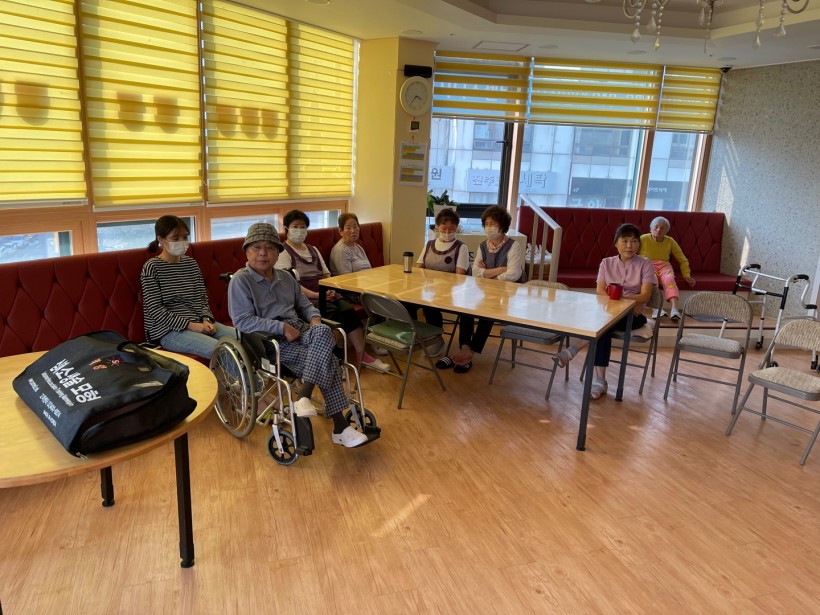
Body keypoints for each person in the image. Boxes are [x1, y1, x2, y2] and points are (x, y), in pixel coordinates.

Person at [228, 222, 369, 448]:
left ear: (278, 253)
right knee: (329, 361)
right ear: (247, 251)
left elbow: (305, 306)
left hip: (299, 330)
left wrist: (314, 318)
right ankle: (340, 427)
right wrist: (281, 328)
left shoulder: (286, 278)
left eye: (269, 248)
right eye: (256, 247)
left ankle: (303, 396)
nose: (263, 253)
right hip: (268, 340)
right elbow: (242, 320)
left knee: (323, 330)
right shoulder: (240, 281)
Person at [276, 209, 390, 373]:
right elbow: (291, 284)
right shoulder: (282, 252)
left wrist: (329, 289)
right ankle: (334, 362)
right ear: (286, 228)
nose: (299, 230)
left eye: (303, 227)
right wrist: (317, 295)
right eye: (295, 226)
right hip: (304, 298)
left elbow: (326, 274)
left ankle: (362, 355)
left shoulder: (313, 249)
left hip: (325, 291)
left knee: (348, 309)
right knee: (335, 314)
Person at [555, 223, 655, 400]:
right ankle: (600, 380)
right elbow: (600, 291)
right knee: (604, 327)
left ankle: (574, 350)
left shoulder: (645, 264)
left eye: (634, 241)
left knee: (602, 325)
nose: (629, 246)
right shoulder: (606, 263)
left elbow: (645, 295)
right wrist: (630, 300)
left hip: (634, 315)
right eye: (625, 241)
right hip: (608, 313)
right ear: (616, 243)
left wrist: (624, 299)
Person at [436, 205, 524, 374]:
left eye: (493, 224)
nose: (489, 227)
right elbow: (476, 272)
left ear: (502, 226)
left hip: (507, 295)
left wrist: (487, 274)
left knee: (487, 312)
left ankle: (469, 352)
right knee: (466, 308)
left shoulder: (514, 246)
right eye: (487, 224)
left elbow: (513, 274)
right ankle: (465, 348)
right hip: (485, 291)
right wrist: (499, 269)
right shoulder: (483, 245)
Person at [141, 215, 236, 358]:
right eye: (175, 238)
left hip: (198, 322)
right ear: (160, 239)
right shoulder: (151, 267)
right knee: (222, 350)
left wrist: (206, 320)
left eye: (185, 237)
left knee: (246, 339)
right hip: (167, 330)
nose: (182, 242)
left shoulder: (191, 264)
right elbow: (155, 310)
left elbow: (201, 299)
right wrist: (191, 325)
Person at [413, 207, 470, 355]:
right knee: (406, 303)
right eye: (444, 228)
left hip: (451, 292)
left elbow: (460, 276)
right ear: (437, 227)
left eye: (452, 229)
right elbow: (419, 268)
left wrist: (436, 281)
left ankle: (435, 338)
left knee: (431, 305)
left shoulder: (461, 247)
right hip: (429, 289)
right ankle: (415, 335)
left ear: (457, 228)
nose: (447, 232)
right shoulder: (429, 244)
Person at [639, 216, 696, 320]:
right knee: (652, 280)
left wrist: (686, 275)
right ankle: (656, 309)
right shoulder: (643, 238)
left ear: (666, 231)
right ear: (651, 228)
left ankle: (674, 309)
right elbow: (633, 255)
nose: (658, 230)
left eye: (662, 228)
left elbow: (682, 259)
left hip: (664, 266)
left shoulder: (670, 241)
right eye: (656, 227)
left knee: (669, 279)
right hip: (647, 264)